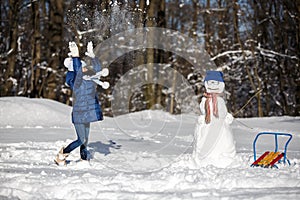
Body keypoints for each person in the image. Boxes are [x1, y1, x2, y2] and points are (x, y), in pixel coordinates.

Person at [54, 41, 103, 165]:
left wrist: (93, 56)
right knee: (81, 139)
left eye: (85, 66)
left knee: (85, 139)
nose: (85, 68)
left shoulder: (89, 80)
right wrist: (75, 57)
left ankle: (84, 159)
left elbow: (98, 70)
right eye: (82, 67)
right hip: (80, 114)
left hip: (88, 113)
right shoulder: (76, 82)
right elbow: (77, 71)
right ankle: (61, 154)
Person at [192, 70, 236, 168]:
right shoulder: (205, 100)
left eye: (216, 83)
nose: (213, 85)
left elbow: (223, 112)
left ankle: (225, 158)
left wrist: (227, 117)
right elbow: (204, 111)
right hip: (208, 124)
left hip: (220, 126)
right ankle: (204, 159)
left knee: (224, 142)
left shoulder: (220, 101)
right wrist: (202, 119)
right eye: (211, 82)